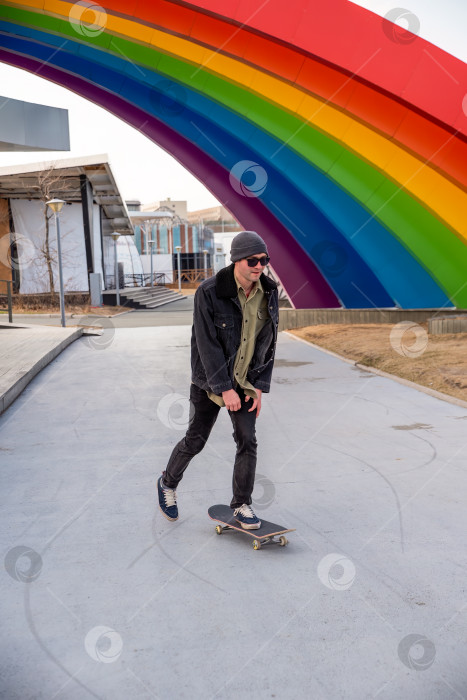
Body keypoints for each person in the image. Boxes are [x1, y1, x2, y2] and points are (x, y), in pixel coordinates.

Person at [157, 230, 279, 529]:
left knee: (247, 440)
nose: (260, 265)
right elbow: (206, 343)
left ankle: (241, 504)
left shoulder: (269, 291)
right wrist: (224, 388)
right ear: (236, 259)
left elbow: (269, 340)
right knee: (196, 440)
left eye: (264, 260)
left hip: (246, 381)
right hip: (209, 382)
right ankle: (167, 483)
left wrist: (258, 387)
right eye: (253, 260)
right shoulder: (210, 291)